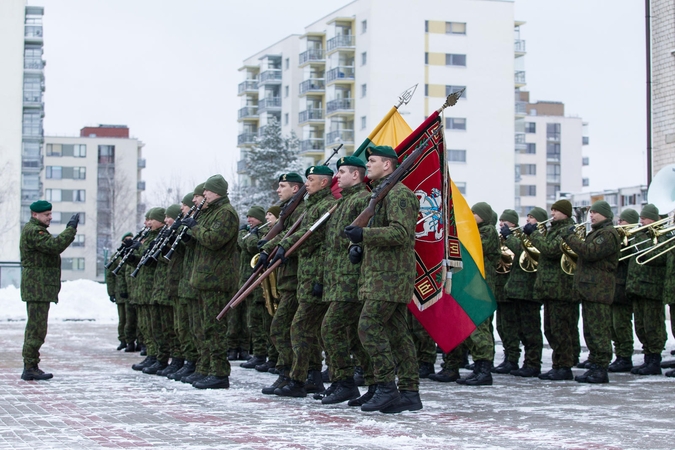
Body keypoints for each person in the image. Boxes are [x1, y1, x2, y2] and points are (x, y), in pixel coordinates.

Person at [345, 145, 421, 413]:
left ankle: (387, 387)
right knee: (398, 334)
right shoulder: (381, 193)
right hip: (380, 275)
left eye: (373, 161)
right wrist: (359, 247)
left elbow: (401, 233)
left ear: (387, 165)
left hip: (390, 277)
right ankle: (409, 392)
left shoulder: (399, 195)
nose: (369, 166)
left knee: (368, 327)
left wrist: (364, 236)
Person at [271, 165, 337, 397]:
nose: (307, 183)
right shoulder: (312, 205)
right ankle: (311, 377)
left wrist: (283, 245)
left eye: (311, 179)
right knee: (306, 331)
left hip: (315, 277)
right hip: (304, 278)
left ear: (324, 182)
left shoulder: (326, 206)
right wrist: (273, 246)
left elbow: (313, 237)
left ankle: (298, 379)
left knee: (301, 329)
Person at [320, 156, 371, 405]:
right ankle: (363, 382)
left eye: (341, 172)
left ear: (356, 175)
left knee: (331, 329)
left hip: (351, 280)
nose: (337, 176)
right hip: (338, 280)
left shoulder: (362, 200)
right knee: (352, 335)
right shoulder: (343, 202)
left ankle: (346, 382)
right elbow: (333, 247)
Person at [182, 174, 240, 389]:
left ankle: (219, 373)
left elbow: (214, 240)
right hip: (205, 278)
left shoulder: (225, 213)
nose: (203, 194)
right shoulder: (211, 212)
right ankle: (205, 368)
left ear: (216, 191)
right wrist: (188, 233)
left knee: (215, 329)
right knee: (204, 327)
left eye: (206, 190)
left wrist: (194, 228)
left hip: (217, 279)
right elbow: (200, 242)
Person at [562, 201, 621, 383]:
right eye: (591, 213)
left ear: (605, 214)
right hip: (590, 289)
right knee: (590, 331)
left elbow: (590, 252)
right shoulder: (597, 232)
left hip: (599, 290)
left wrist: (570, 238)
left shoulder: (608, 234)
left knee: (599, 331)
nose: (592, 216)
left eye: (595, 213)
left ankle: (601, 368)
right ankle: (595, 364)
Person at [20, 200, 79, 380]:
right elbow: (54, 246)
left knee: (37, 328)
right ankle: (30, 366)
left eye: (50, 214)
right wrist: (70, 229)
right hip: (37, 287)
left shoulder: (36, 230)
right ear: (35, 215)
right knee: (36, 328)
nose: (50, 217)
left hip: (39, 287)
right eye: (47, 215)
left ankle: (31, 365)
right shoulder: (34, 231)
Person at [259, 173, 307, 394]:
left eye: (282, 186)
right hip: (288, 279)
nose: (278, 190)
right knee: (289, 329)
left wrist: (272, 246)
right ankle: (293, 374)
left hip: (298, 278)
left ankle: (291, 374)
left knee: (283, 329)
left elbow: (296, 236)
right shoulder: (288, 211)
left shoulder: (299, 211)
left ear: (295, 189)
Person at [529, 199, 576, 381]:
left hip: (560, 289)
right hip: (550, 287)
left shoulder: (567, 230)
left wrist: (534, 235)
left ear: (565, 213)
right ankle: (558, 364)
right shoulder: (554, 229)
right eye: (552, 210)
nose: (553, 213)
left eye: (556, 210)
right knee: (550, 329)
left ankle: (564, 366)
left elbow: (550, 250)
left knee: (560, 329)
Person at [454, 202, 499, 386]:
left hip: (482, 287)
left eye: (475, 212)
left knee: (480, 327)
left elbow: (473, 246)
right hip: (474, 285)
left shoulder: (488, 231)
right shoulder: (477, 230)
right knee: (472, 327)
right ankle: (479, 366)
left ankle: (484, 369)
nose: (471, 214)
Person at [502, 207, 547, 377]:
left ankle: (533, 363)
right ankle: (526, 362)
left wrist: (509, 237)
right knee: (522, 330)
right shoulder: (526, 235)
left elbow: (523, 251)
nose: (528, 220)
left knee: (531, 331)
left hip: (530, 291)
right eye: (527, 217)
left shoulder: (539, 236)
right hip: (519, 290)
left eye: (532, 218)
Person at [625, 203, 667, 375]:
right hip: (638, 288)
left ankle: (655, 360)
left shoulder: (660, 236)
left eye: (644, 218)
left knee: (653, 326)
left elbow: (654, 255)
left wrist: (640, 238)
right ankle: (647, 357)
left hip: (652, 290)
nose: (640, 221)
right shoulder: (641, 236)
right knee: (641, 326)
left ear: (653, 219)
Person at [238, 206, 270, 370]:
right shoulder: (253, 232)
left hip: (259, 285)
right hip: (247, 282)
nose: (249, 220)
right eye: (248, 217)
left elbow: (252, 245)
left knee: (261, 322)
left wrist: (245, 234)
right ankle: (259, 354)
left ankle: (263, 354)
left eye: (253, 217)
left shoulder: (263, 232)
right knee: (253, 322)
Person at [608, 208, 639, 373]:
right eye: (619, 220)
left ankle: (625, 356)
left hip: (623, 288)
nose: (619, 223)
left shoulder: (633, 239)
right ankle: (619, 354)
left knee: (621, 325)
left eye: (623, 221)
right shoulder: (620, 238)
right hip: (614, 287)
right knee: (613, 326)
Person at [493, 209, 520, 374]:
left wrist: (509, 236)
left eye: (506, 222)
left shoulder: (516, 238)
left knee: (510, 327)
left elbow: (520, 251)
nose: (502, 224)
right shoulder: (499, 238)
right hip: (499, 288)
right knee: (501, 327)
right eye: (501, 221)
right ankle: (507, 357)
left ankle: (513, 358)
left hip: (510, 289)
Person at [106, 232, 133, 351]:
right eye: (126, 240)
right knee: (123, 318)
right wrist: (111, 292)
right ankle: (123, 339)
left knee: (132, 318)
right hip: (120, 292)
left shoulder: (133, 253)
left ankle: (132, 340)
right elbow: (110, 275)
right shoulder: (116, 257)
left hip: (132, 291)